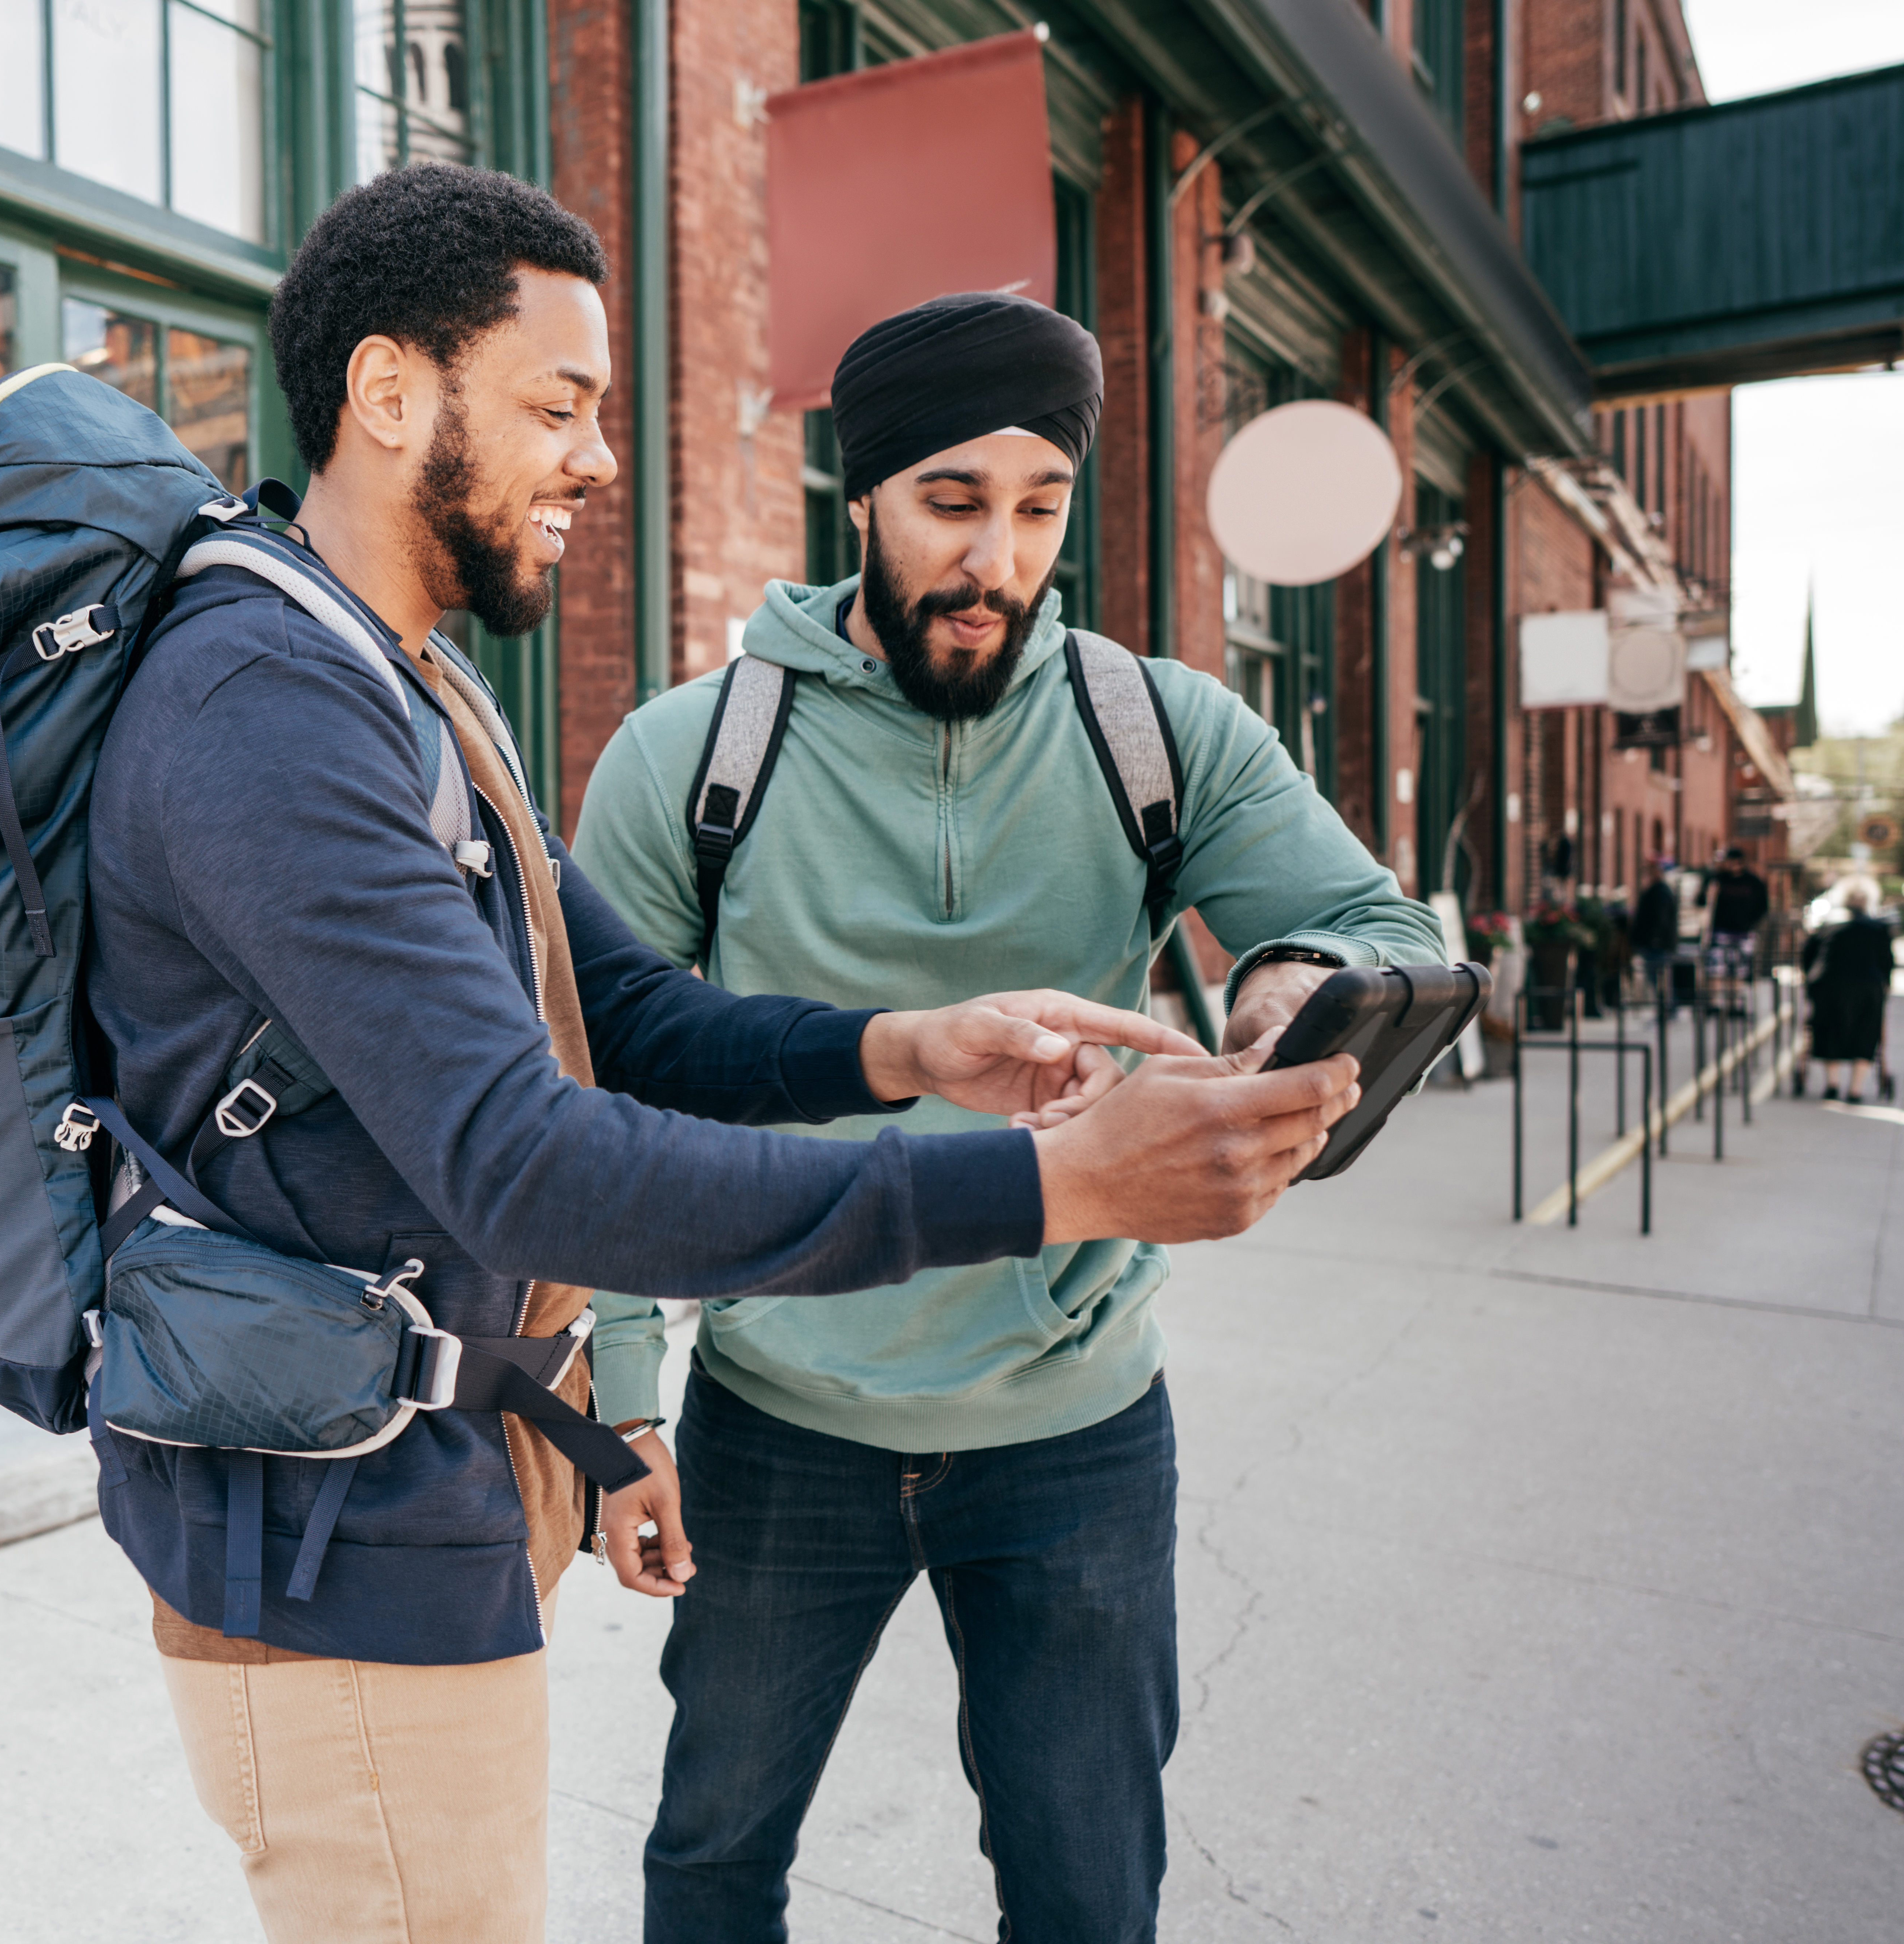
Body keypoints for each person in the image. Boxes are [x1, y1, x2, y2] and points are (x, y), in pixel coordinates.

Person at [85, 175, 1359, 1944]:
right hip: (324, 1541)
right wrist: (1056, 1178)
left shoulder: (409, 683)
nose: (600, 458)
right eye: (561, 405)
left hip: (424, 1495)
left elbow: (639, 1023)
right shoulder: (269, 711)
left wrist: (918, 1045)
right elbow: (544, 1159)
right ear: (390, 394)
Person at [570, 291, 1445, 1944]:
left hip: (1074, 1428)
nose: (994, 560)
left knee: (1084, 1891)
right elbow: (596, 1095)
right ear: (865, 499)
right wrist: (625, 1407)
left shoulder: (1156, 730)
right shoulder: (695, 757)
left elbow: (1381, 931)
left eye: (1037, 507)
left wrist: (1283, 986)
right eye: (951, 504)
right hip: (780, 1416)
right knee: (707, 1862)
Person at [1802, 882, 1893, 1102]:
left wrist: (1810, 984)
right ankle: (1855, 1090)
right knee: (1866, 1032)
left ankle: (1833, 1085)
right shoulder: (1878, 928)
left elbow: (1808, 957)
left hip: (1830, 985)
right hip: (1867, 986)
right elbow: (1887, 962)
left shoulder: (1828, 925)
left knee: (1830, 1030)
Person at [1705, 845, 1771, 993]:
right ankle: (1717, 1004)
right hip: (1720, 931)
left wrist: (1751, 924)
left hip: (1744, 933)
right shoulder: (1718, 880)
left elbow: (1763, 907)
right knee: (1717, 970)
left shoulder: (1753, 882)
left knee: (1739, 971)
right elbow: (1702, 901)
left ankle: (1736, 1002)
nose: (1731, 865)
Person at [1631, 856, 1683, 1021]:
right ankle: (1668, 1007)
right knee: (1659, 978)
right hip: (1656, 941)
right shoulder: (1658, 890)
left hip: (1657, 942)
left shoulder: (1661, 891)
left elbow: (1661, 919)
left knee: (1659, 978)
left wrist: (1655, 938)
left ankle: (1668, 1008)